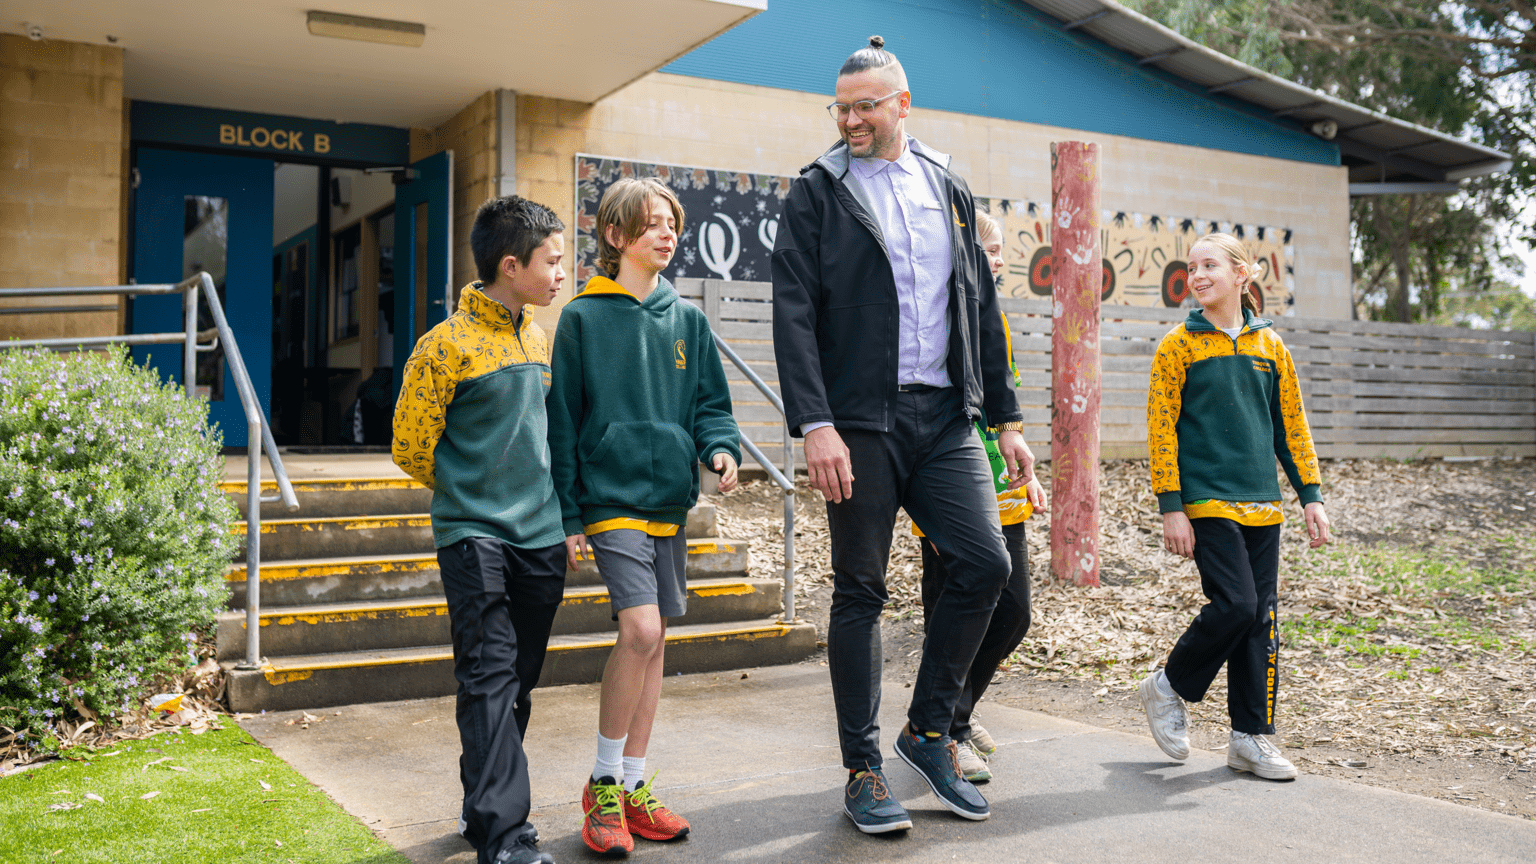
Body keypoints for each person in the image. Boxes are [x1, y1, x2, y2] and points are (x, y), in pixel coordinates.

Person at [772, 36, 1035, 833]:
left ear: (902, 106)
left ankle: (929, 729)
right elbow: (794, 316)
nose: (850, 118)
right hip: (859, 422)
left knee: (986, 563)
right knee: (861, 589)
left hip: (947, 416)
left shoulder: (946, 186)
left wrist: (1008, 417)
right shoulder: (818, 191)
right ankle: (863, 770)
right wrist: (815, 423)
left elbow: (978, 305)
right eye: (841, 107)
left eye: (864, 106)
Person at [546, 177, 741, 856]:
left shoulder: (688, 320)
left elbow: (712, 406)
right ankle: (601, 786)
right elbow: (563, 424)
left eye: (673, 225)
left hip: (668, 501)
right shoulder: (580, 318)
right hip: (608, 499)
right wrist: (569, 513)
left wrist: (718, 448)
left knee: (656, 643)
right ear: (615, 235)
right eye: (652, 223)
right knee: (641, 628)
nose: (666, 234)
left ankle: (631, 788)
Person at [392, 196, 570, 864]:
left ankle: (481, 805)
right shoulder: (443, 347)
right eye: (551, 261)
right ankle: (507, 836)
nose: (560, 274)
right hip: (473, 535)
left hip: (542, 536)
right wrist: (471, 491)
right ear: (510, 263)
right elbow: (410, 445)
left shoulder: (538, 337)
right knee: (490, 675)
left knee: (516, 680)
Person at [1138, 232, 1332, 782]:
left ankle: (1250, 737)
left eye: (1210, 265)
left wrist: (1310, 496)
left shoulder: (1272, 348)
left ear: (1242, 276)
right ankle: (1168, 686)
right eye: (1192, 267)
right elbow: (1161, 430)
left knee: (1260, 621)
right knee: (1237, 605)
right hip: (1205, 500)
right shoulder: (1178, 345)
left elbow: (1291, 429)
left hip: (1262, 504)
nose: (1197, 275)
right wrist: (1170, 504)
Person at [915, 209, 1047, 783]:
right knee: (951, 606)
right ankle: (945, 729)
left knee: (1014, 611)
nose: (996, 261)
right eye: (985, 251)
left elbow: (1004, 400)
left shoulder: (996, 319)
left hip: (1002, 484)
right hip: (950, 485)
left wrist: (1027, 467)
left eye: (1000, 254)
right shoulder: (938, 312)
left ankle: (955, 714)